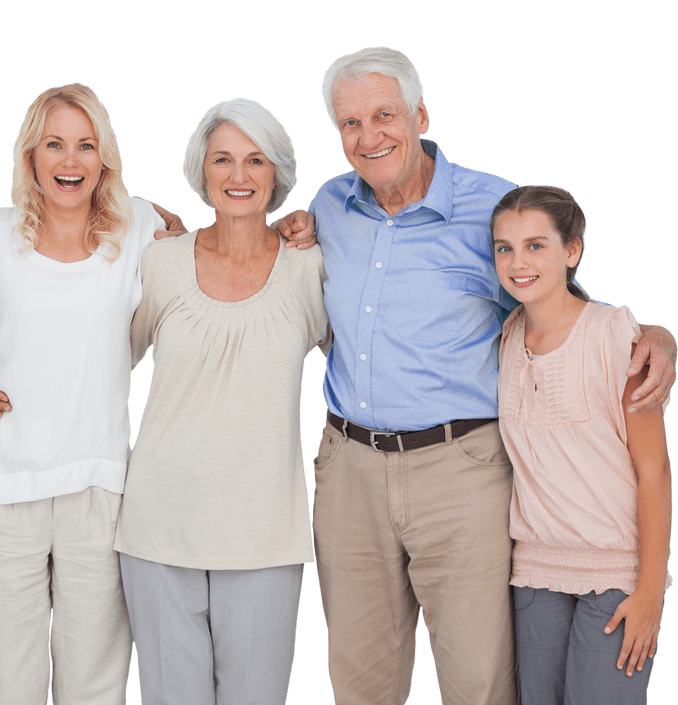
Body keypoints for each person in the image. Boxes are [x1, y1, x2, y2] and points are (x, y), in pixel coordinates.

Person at [273, 46, 676, 704]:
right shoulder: (330, 204)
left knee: (479, 682)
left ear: (421, 114)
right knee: (358, 677)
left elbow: (562, 303)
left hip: (460, 471)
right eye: (349, 124)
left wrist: (656, 335)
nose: (368, 136)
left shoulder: (490, 208)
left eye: (384, 115)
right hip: (348, 468)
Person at [0, 83, 167, 705]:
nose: (69, 161)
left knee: (94, 684)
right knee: (3, 682)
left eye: (85, 145)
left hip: (100, 488)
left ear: (104, 159)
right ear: (30, 156)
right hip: (3, 488)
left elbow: (206, 262)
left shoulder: (142, 230)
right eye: (54, 145)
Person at [112, 97, 328, 705]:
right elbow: (101, 361)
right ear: (201, 173)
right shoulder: (161, 261)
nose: (239, 176)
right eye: (224, 160)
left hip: (264, 535)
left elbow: (366, 353)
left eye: (255, 161)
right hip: (158, 529)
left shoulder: (308, 267)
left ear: (278, 176)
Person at [491, 185, 670, 705]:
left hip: (615, 577)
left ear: (572, 252)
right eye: (505, 247)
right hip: (533, 575)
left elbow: (654, 471)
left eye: (536, 245)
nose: (518, 262)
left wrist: (651, 593)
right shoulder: (506, 338)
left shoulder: (616, 336)